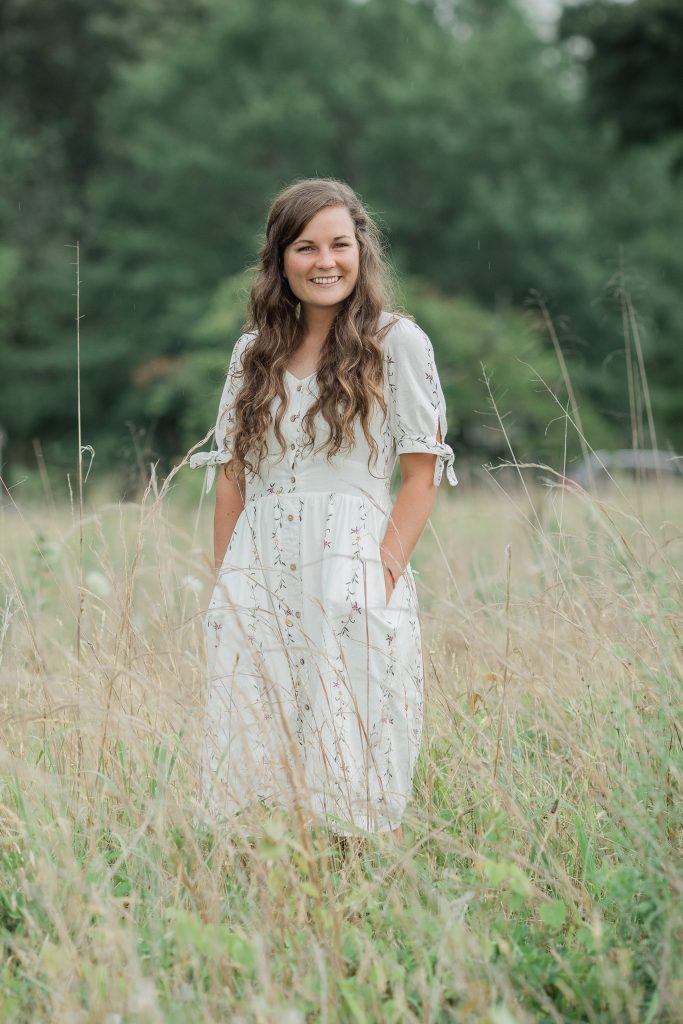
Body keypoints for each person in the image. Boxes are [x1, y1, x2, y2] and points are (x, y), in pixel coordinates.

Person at [189, 178, 457, 842]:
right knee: (257, 732)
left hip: (352, 564)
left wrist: (379, 576)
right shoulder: (252, 353)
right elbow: (232, 480)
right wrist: (227, 586)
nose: (325, 261)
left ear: (361, 251)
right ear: (280, 259)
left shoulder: (396, 341)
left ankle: (350, 877)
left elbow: (420, 476)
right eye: (305, 247)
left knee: (351, 731)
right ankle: (266, 874)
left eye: (339, 244)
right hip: (259, 570)